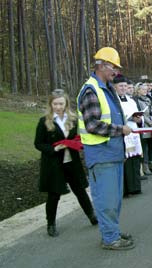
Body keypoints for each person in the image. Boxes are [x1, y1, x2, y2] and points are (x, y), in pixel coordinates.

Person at [77, 47, 135, 250]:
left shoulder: (106, 88)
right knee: (106, 200)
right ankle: (110, 238)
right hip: (101, 155)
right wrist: (121, 130)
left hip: (112, 152)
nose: (116, 72)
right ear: (101, 65)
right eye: (113, 67)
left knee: (114, 199)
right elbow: (92, 124)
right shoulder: (91, 90)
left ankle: (113, 231)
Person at [35, 89, 97, 237]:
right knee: (54, 194)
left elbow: (78, 136)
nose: (58, 107)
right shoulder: (44, 121)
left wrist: (77, 142)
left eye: (61, 103)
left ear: (66, 103)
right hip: (54, 163)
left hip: (72, 162)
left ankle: (92, 216)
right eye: (55, 104)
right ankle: (51, 224)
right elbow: (38, 143)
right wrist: (54, 148)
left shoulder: (73, 119)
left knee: (80, 191)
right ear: (50, 104)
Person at [114, 75, 145, 195]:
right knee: (125, 161)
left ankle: (135, 187)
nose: (123, 88)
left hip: (134, 133)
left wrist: (139, 119)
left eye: (125, 86)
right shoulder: (113, 101)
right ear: (114, 87)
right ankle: (125, 190)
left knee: (134, 160)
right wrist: (130, 118)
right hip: (123, 134)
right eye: (120, 86)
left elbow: (138, 116)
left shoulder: (131, 100)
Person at [134, 83, 152, 175]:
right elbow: (140, 113)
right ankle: (145, 165)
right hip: (144, 126)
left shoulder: (148, 99)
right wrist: (148, 121)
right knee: (144, 146)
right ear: (138, 90)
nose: (145, 91)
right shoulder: (136, 100)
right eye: (143, 89)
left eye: (146, 89)